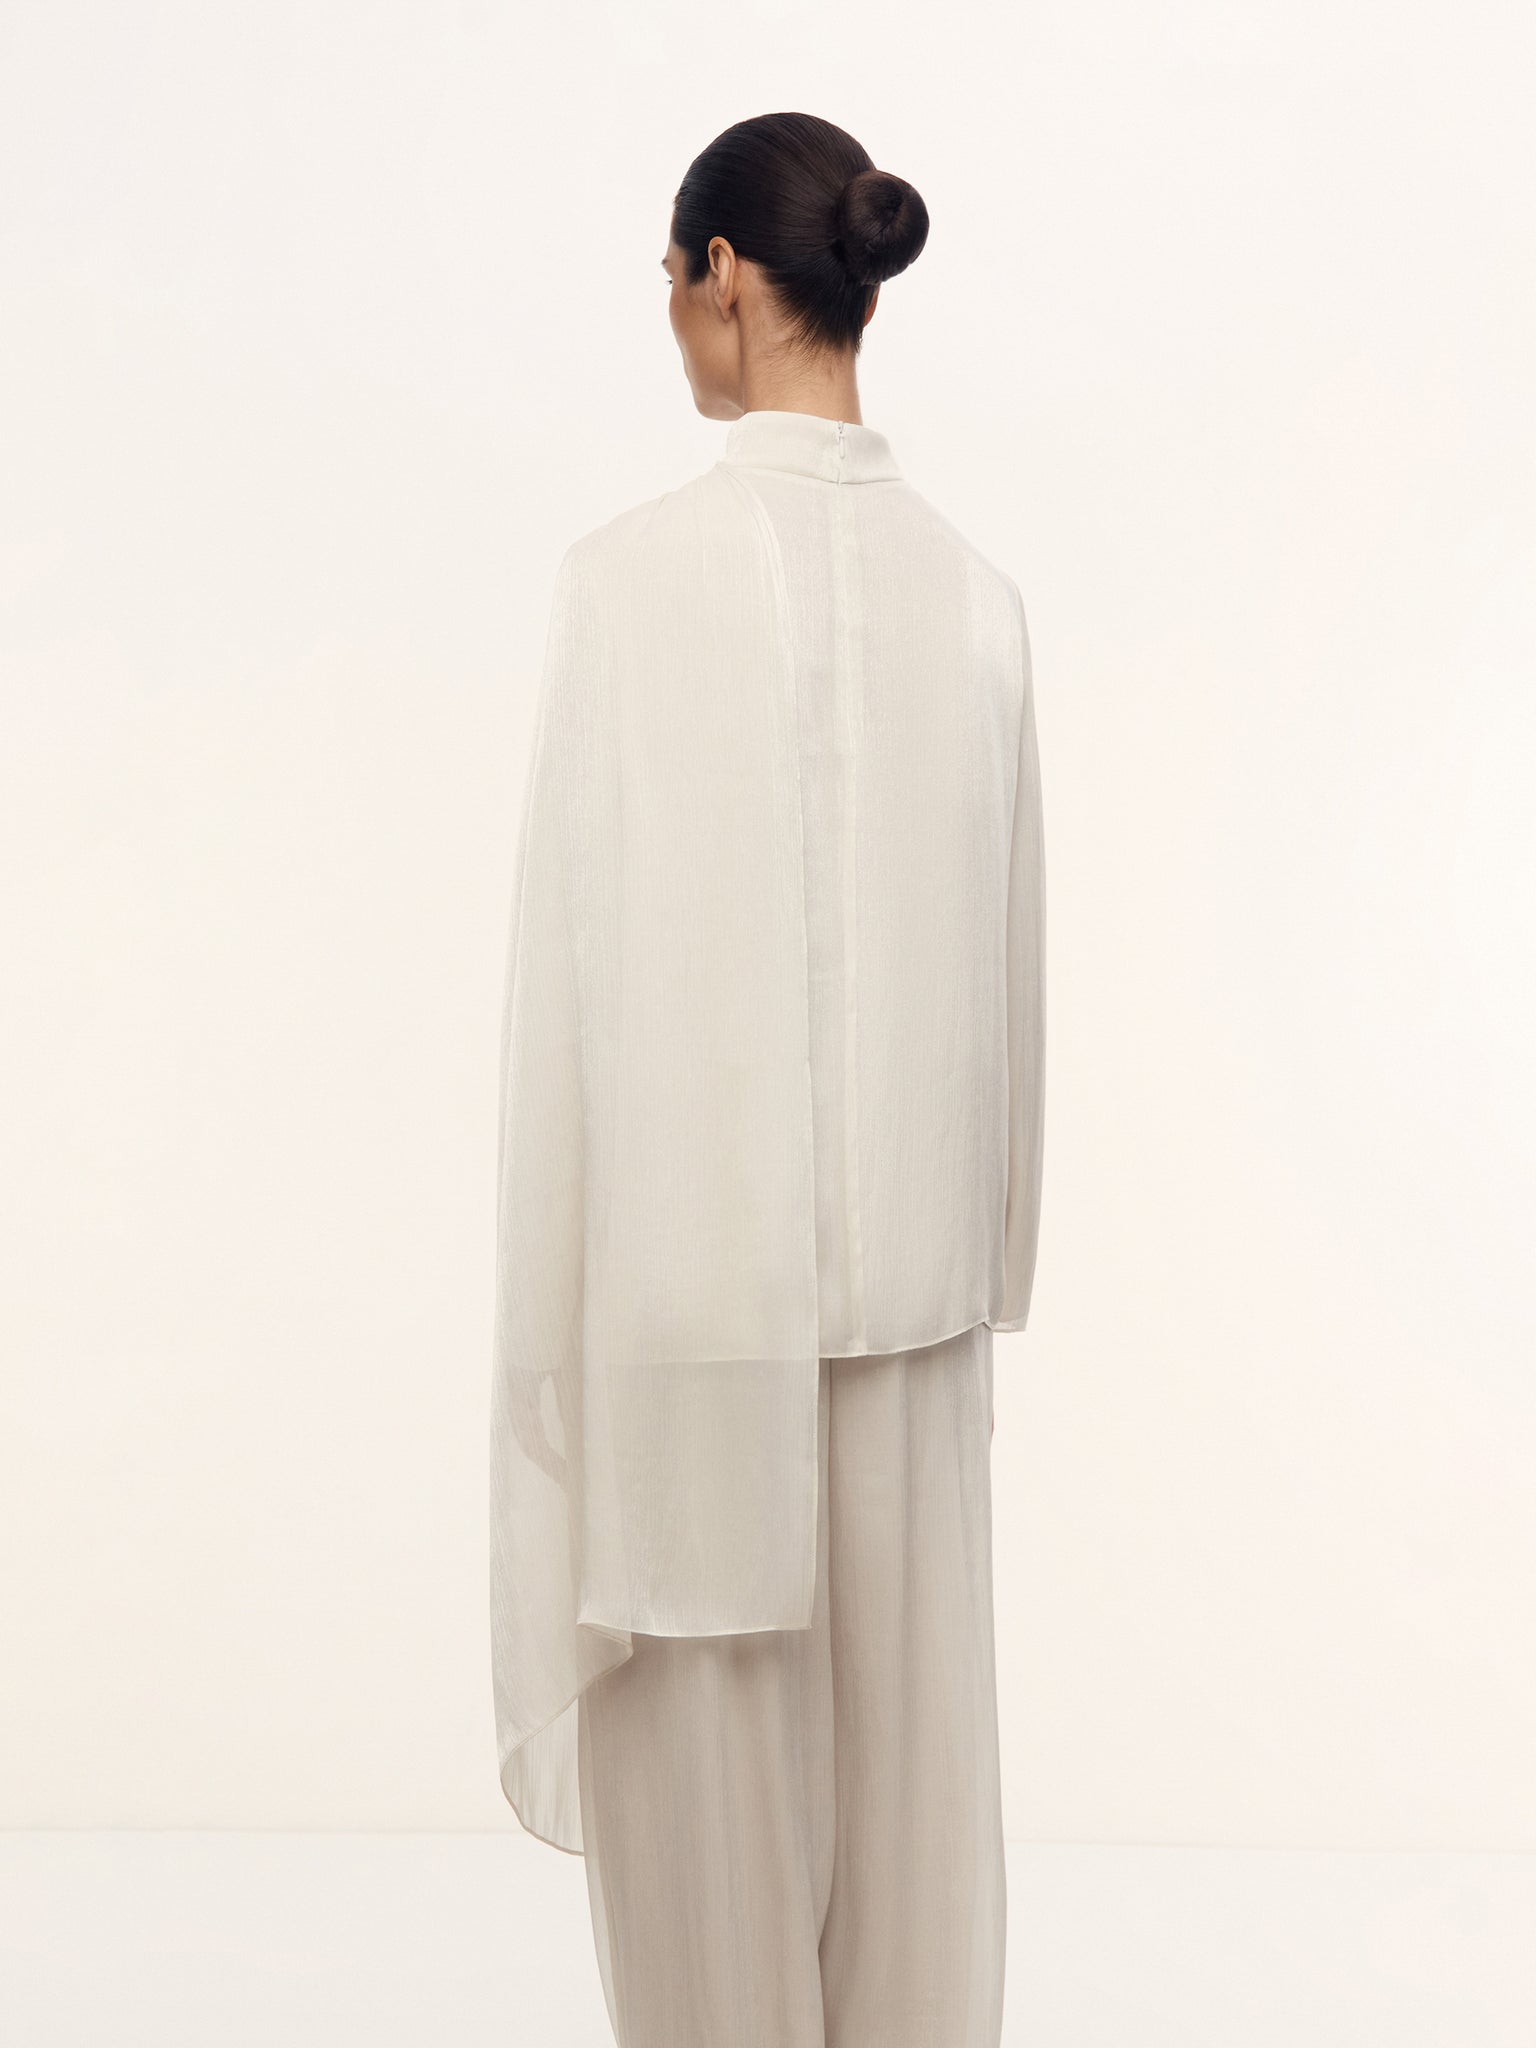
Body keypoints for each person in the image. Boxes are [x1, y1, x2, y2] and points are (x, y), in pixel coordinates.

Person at [489, 110, 1046, 2048]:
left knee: (706, 1898)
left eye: (669, 276)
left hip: (688, 1321)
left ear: (722, 274)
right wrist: (986, 1264)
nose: (670, 309)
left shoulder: (625, 581)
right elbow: (1013, 982)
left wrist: (553, 1317)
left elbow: (569, 981)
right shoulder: (979, 599)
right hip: (917, 1327)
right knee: (912, 1876)